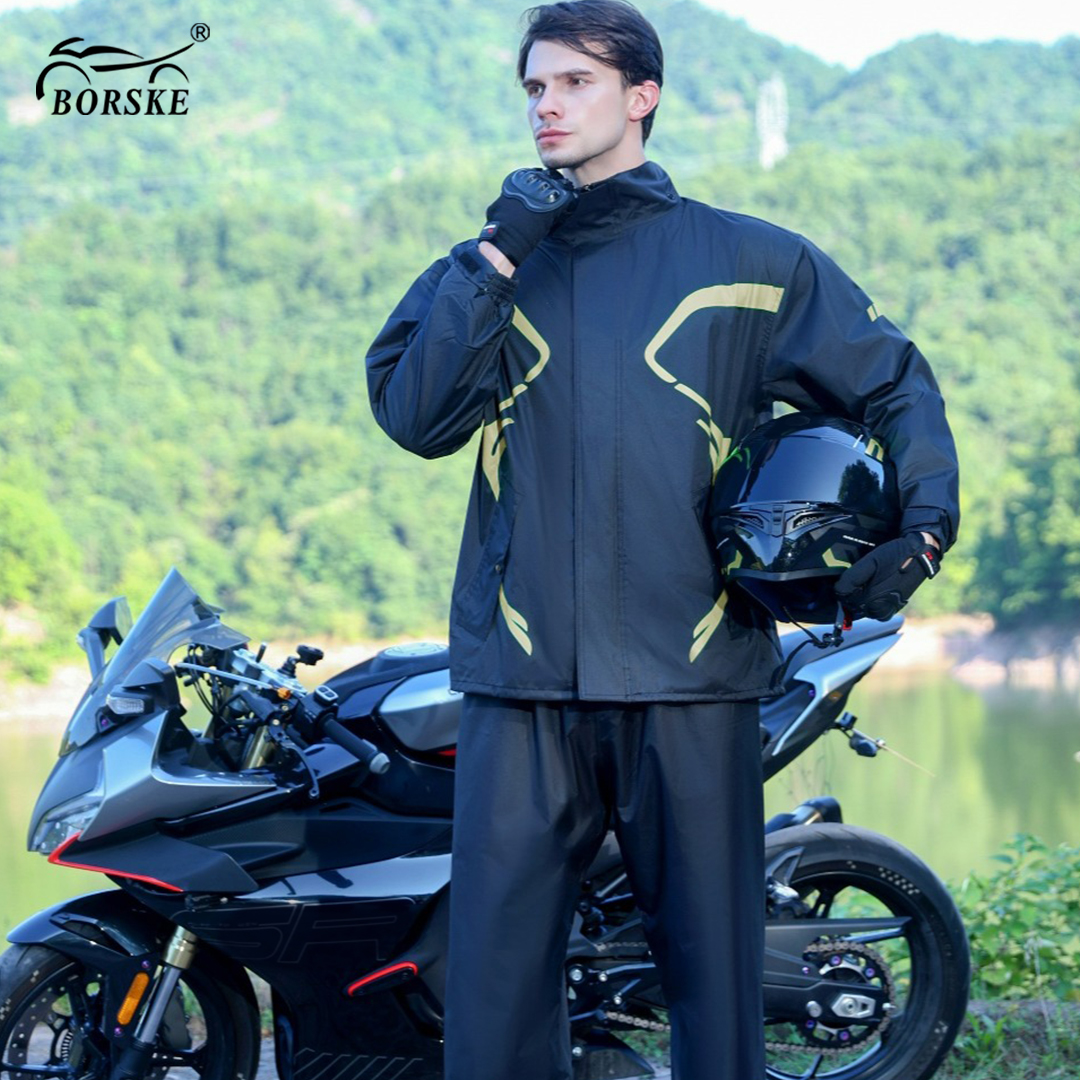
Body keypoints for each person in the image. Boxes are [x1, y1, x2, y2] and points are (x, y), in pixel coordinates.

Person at [365, 2, 960, 1077]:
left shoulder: (752, 262)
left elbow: (895, 383)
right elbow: (415, 418)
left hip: (692, 673)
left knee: (713, 990)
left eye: (574, 82)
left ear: (641, 96)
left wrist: (921, 529)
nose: (547, 106)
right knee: (494, 1002)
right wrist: (496, 258)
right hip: (522, 679)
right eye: (534, 87)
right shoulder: (490, 266)